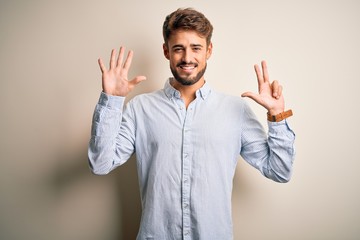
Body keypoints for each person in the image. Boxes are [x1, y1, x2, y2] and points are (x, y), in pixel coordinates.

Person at [88, 8, 295, 240]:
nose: (187, 58)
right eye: (178, 48)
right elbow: (100, 163)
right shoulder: (140, 108)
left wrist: (277, 115)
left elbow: (280, 171)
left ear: (209, 50)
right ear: (166, 51)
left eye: (196, 48)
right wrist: (112, 101)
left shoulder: (236, 110)